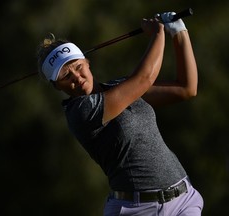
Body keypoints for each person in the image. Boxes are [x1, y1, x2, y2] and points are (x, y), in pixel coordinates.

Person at [36, 12, 203, 216]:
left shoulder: (120, 86)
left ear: (87, 62)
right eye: (66, 76)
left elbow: (186, 88)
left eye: (79, 67)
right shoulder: (80, 112)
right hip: (136, 210)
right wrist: (158, 33)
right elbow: (144, 79)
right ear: (56, 86)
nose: (77, 78)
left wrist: (179, 32)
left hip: (183, 200)